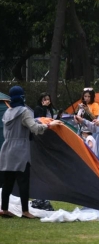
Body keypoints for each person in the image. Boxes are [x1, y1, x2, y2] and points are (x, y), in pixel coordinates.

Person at [0, 86, 63, 219]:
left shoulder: (7, 112)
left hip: (6, 149)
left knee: (7, 182)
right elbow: (34, 128)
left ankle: (4, 209)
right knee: (23, 181)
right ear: (21, 96)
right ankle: (25, 211)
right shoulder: (24, 111)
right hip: (20, 149)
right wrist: (49, 125)